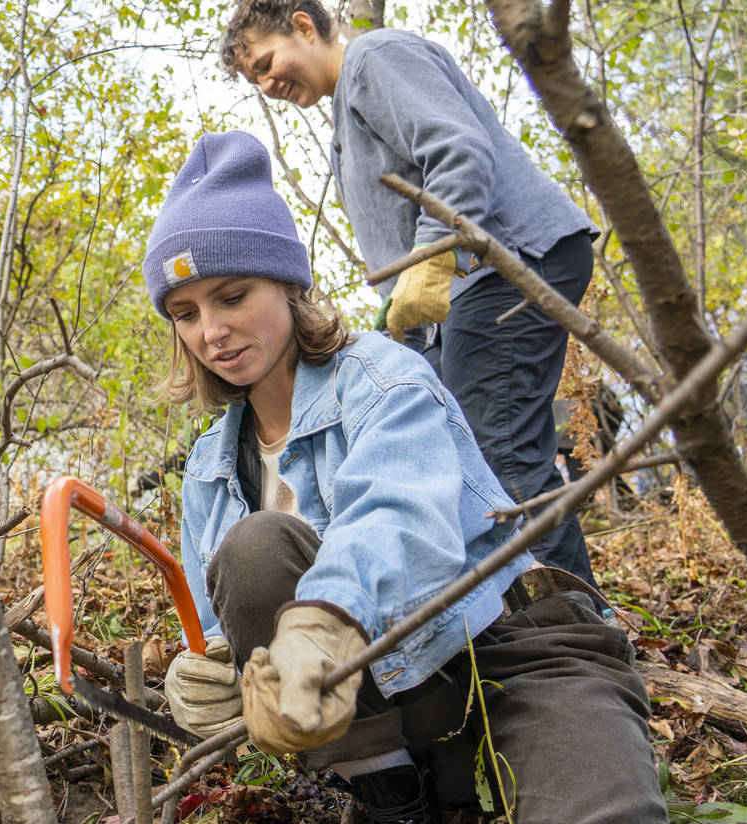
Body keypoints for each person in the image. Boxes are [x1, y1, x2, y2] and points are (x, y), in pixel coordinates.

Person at [149, 132, 663, 823]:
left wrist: (324, 620)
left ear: (288, 284)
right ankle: (384, 794)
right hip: (382, 730)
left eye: (232, 297)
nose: (211, 331)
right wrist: (212, 678)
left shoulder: (383, 378)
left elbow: (397, 513)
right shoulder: (209, 471)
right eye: (187, 314)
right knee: (254, 546)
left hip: (510, 657)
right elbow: (219, 627)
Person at [219, 1, 599, 584]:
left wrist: (433, 256)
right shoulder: (344, 119)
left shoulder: (375, 57)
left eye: (269, 62)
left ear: (303, 25)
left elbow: (456, 148)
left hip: (508, 262)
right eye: (256, 81)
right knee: (458, 445)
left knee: (500, 453)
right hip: (471, 283)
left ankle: (581, 629)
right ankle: (518, 611)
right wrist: (402, 307)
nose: (269, 84)